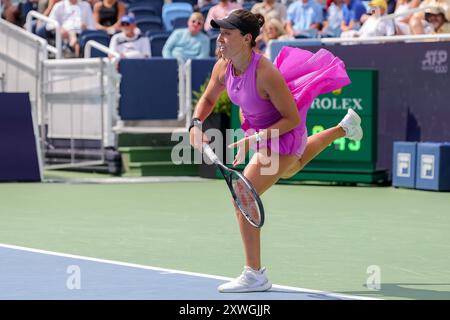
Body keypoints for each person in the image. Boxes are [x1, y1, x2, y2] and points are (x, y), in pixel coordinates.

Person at [189, 9, 362, 292]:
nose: (220, 39)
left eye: (226, 34)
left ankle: (255, 274)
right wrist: (195, 124)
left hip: (283, 133)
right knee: (293, 167)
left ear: (246, 39)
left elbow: (292, 119)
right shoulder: (223, 66)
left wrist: (252, 138)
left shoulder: (265, 73)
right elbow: (208, 98)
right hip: (261, 133)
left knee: (242, 197)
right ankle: (344, 128)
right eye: (219, 33)